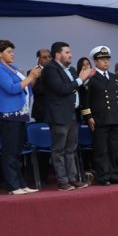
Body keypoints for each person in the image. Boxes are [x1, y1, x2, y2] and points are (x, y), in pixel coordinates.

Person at [0, 39, 43, 195]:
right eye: (8, 51)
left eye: (12, 51)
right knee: (9, 151)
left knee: (17, 151)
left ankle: (21, 183)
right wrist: (30, 76)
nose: (12, 54)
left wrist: (33, 77)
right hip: (7, 115)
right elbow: (12, 89)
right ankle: (13, 186)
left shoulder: (13, 68)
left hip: (20, 114)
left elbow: (26, 87)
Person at [42, 42, 93, 191]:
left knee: (71, 148)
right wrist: (80, 79)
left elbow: (78, 87)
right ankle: (62, 181)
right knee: (59, 149)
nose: (70, 55)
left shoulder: (70, 69)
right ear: (58, 54)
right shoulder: (50, 69)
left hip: (72, 113)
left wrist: (86, 78)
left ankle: (73, 178)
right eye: (67, 52)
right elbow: (61, 89)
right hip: (58, 115)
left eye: (70, 52)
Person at [80, 46, 118, 185]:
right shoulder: (91, 78)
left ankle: (114, 175)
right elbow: (85, 100)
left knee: (113, 148)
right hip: (99, 118)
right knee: (101, 149)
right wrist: (88, 117)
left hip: (114, 118)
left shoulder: (114, 77)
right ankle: (103, 176)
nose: (106, 62)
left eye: (107, 59)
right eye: (102, 60)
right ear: (95, 61)